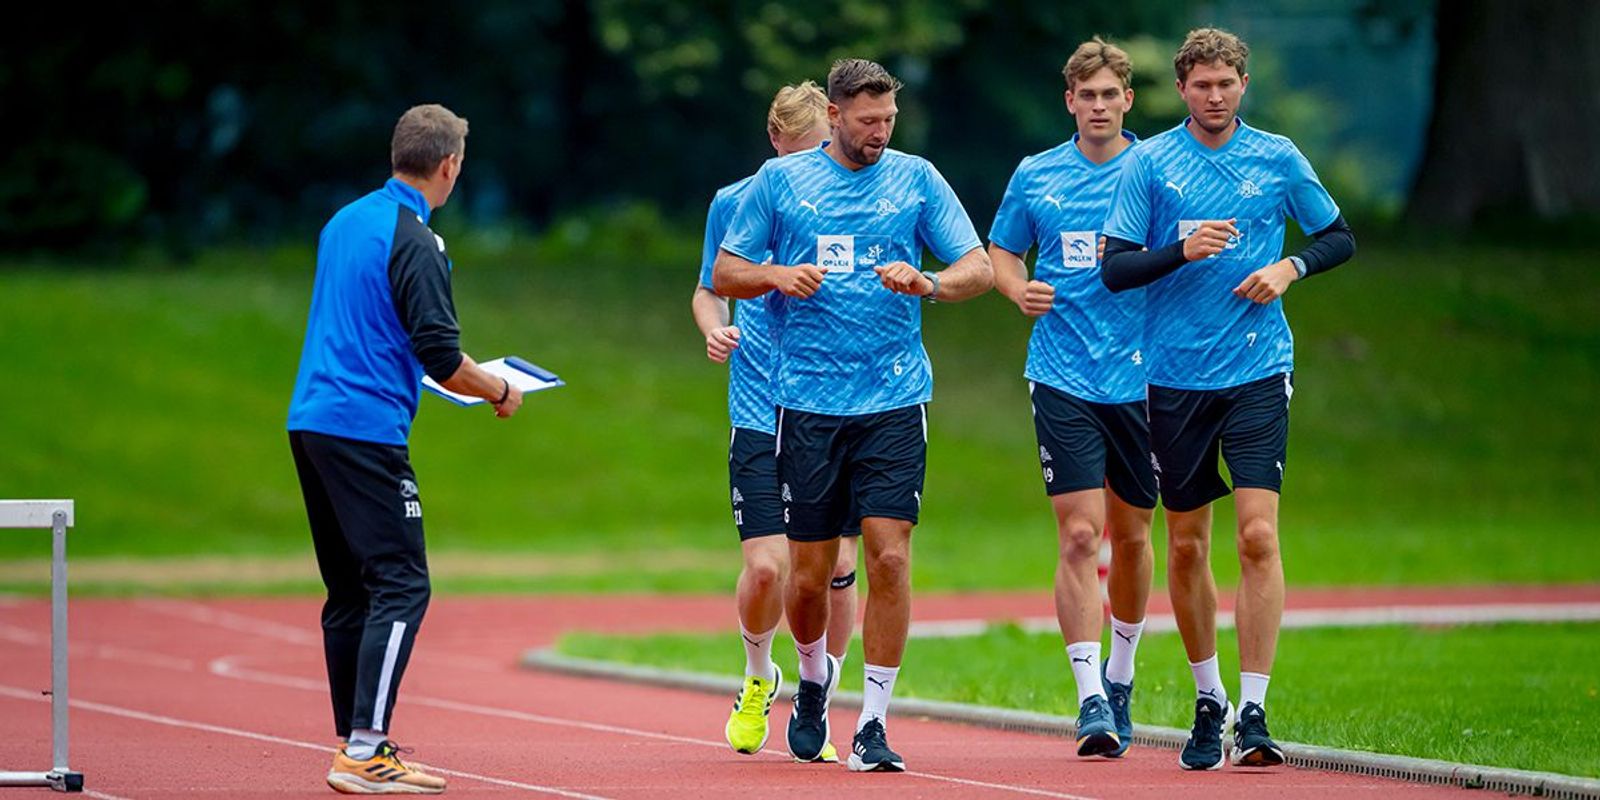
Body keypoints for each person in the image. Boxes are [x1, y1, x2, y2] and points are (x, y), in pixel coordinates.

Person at [713, 58, 993, 773]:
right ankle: (810, 682)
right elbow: (725, 272)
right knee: (807, 578)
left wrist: (928, 280)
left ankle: (872, 721)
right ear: (833, 116)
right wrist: (776, 275)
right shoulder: (782, 183)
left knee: (889, 557)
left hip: (896, 398)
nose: (879, 132)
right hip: (805, 404)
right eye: (867, 120)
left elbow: (979, 268)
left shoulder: (916, 178)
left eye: (888, 120)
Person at [1099, 28, 1356, 770]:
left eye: (1227, 84)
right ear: (1181, 89)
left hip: (1256, 368)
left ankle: (1255, 708)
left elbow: (1338, 235)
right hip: (1174, 377)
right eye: (1202, 85)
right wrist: (1181, 250)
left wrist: (1290, 268)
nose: (1215, 96)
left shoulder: (1277, 157)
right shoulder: (1149, 164)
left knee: (1258, 538)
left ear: (1244, 85)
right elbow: (1115, 270)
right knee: (1185, 542)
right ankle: (1207, 697)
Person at [287, 103, 524, 795]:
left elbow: (375, 322)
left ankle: (359, 743)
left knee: (351, 589)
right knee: (402, 582)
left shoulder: (344, 220)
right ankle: (364, 748)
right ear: (449, 166)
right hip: (364, 428)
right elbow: (443, 358)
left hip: (312, 420)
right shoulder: (418, 240)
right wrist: (499, 389)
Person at [987, 36, 1156, 760]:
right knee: (1081, 536)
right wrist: (1015, 286)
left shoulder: (1156, 171)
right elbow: (1000, 250)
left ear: (1127, 99)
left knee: (1133, 536)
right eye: (1084, 96)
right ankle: (1089, 696)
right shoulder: (1036, 174)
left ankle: (1122, 673)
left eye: (1108, 94)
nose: (1097, 107)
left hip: (1147, 377)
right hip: (1061, 372)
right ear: (1069, 102)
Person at [691, 81, 862, 762]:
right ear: (774, 143)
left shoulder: (852, 194)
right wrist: (715, 329)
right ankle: (760, 675)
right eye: (800, 154)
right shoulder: (735, 202)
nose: (811, 168)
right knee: (768, 570)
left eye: (821, 150)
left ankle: (820, 697)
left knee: (838, 564)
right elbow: (708, 288)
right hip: (761, 409)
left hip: (834, 406)